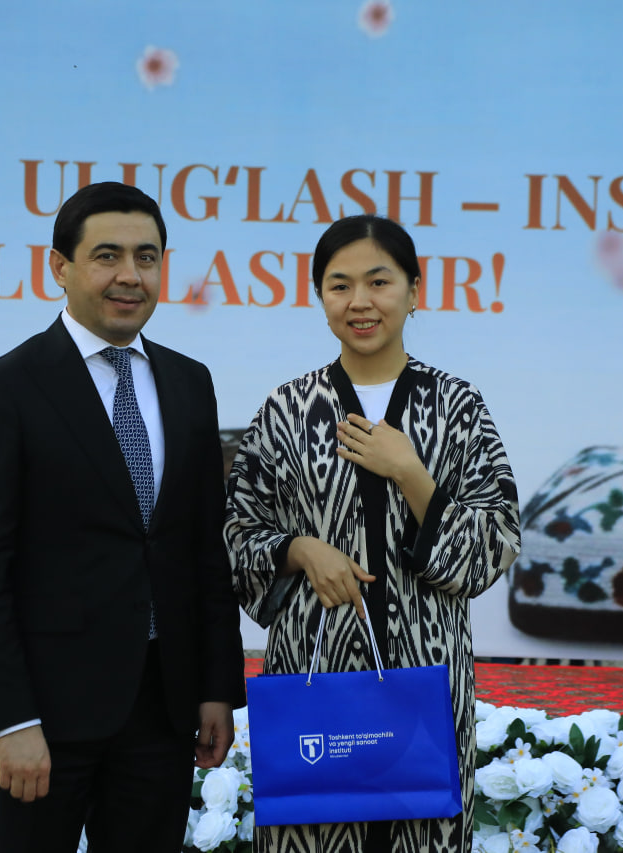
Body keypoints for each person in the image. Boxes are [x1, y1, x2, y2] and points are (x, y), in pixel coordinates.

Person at [0, 181, 247, 853]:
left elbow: (204, 547)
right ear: (60, 267)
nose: (129, 275)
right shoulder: (3, 389)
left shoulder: (189, 382)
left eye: (147, 257)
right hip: (43, 719)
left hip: (161, 713)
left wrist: (215, 688)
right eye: (106, 255)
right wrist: (11, 719)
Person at [224, 214, 522, 853]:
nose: (359, 302)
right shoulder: (287, 409)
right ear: (320, 296)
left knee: (423, 831)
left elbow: (494, 544)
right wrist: (298, 549)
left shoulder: (457, 407)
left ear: (415, 290)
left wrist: (411, 473)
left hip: (427, 681)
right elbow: (238, 534)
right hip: (315, 678)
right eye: (340, 286)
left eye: (379, 282)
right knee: (313, 831)